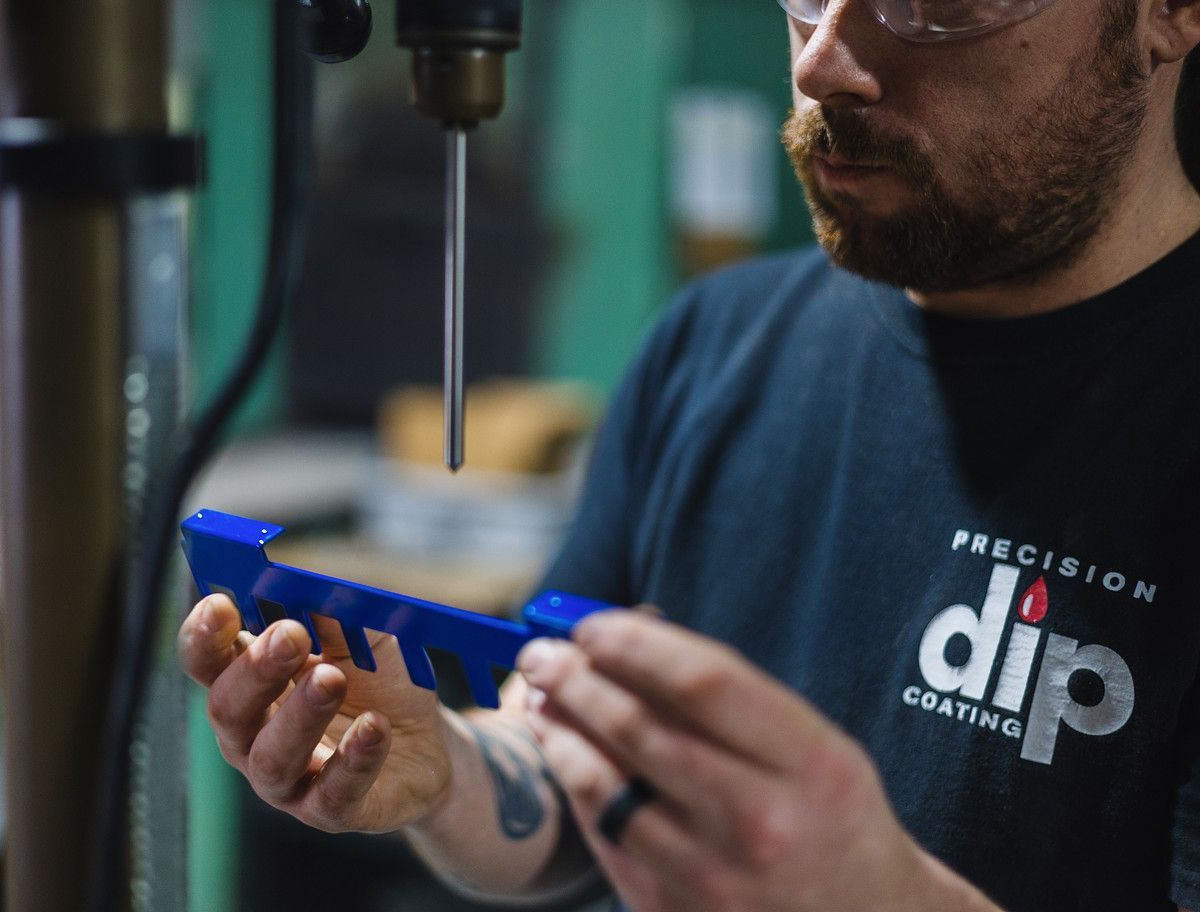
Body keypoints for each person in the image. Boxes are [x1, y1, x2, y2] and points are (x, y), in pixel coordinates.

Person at [178, 0, 1200, 906]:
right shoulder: (712, 346)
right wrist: (444, 768)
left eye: (936, 3)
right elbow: (580, 800)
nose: (822, 60)